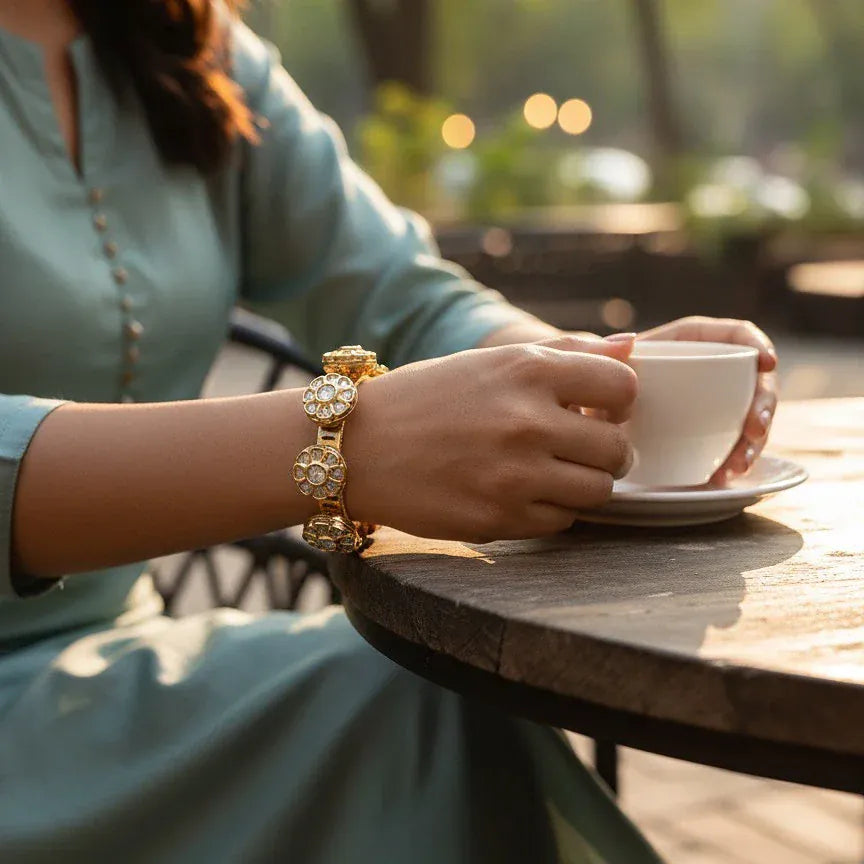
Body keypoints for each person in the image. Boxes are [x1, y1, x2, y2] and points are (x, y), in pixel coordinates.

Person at [0, 0, 777, 861]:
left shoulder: (183, 35)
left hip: (115, 670)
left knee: (429, 693)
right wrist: (343, 446)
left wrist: (593, 374)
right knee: (407, 709)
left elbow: (396, 292)